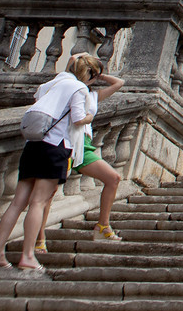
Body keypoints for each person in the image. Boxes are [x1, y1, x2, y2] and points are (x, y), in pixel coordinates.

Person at [0, 53, 95, 270]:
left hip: (33, 145)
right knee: (38, 202)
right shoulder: (79, 89)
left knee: (17, 203)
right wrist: (90, 117)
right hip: (56, 148)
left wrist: (77, 58)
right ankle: (27, 256)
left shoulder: (49, 85)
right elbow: (77, 119)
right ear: (88, 73)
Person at [39, 57, 126, 246]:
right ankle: (39, 238)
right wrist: (83, 63)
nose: (92, 75)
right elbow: (72, 58)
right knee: (50, 192)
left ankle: (103, 226)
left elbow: (120, 83)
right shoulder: (68, 87)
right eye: (90, 71)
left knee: (113, 178)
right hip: (66, 141)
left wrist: (98, 73)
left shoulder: (91, 95)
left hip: (83, 146)